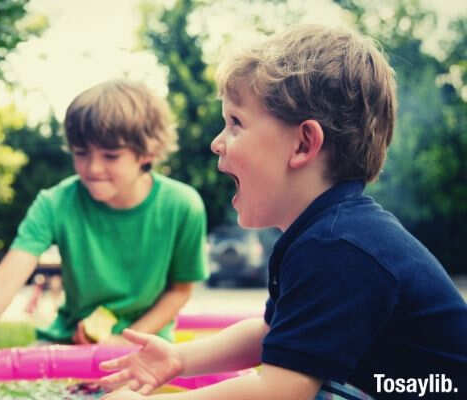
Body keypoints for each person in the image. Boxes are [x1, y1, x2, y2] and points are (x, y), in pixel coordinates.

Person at [97, 25, 467, 400]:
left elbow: (281, 391)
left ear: (304, 143)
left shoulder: (339, 246)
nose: (216, 143)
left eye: (235, 123)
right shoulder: (326, 234)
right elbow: (273, 333)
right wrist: (179, 358)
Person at [0, 79, 208, 395]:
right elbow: (1, 284)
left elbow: (180, 290)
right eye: (81, 153)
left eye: (111, 155)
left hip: (146, 348)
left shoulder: (182, 205)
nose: (92, 168)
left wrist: (123, 339)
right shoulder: (55, 203)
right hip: (68, 343)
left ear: (146, 152)